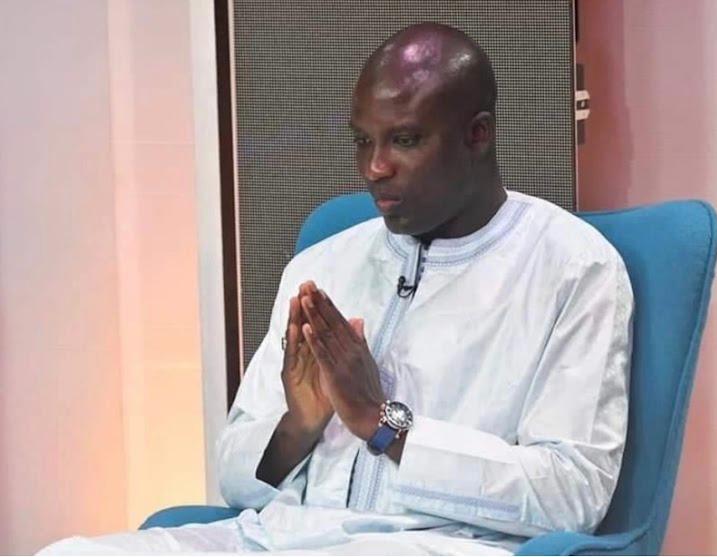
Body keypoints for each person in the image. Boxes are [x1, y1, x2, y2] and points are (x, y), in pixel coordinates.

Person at [39, 22, 633, 555]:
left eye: (404, 140)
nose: (374, 167)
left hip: (434, 543)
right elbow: (236, 479)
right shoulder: (325, 265)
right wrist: (298, 426)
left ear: (478, 135)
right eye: (362, 141)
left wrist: (384, 425)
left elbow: (572, 493)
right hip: (274, 538)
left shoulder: (572, 268)